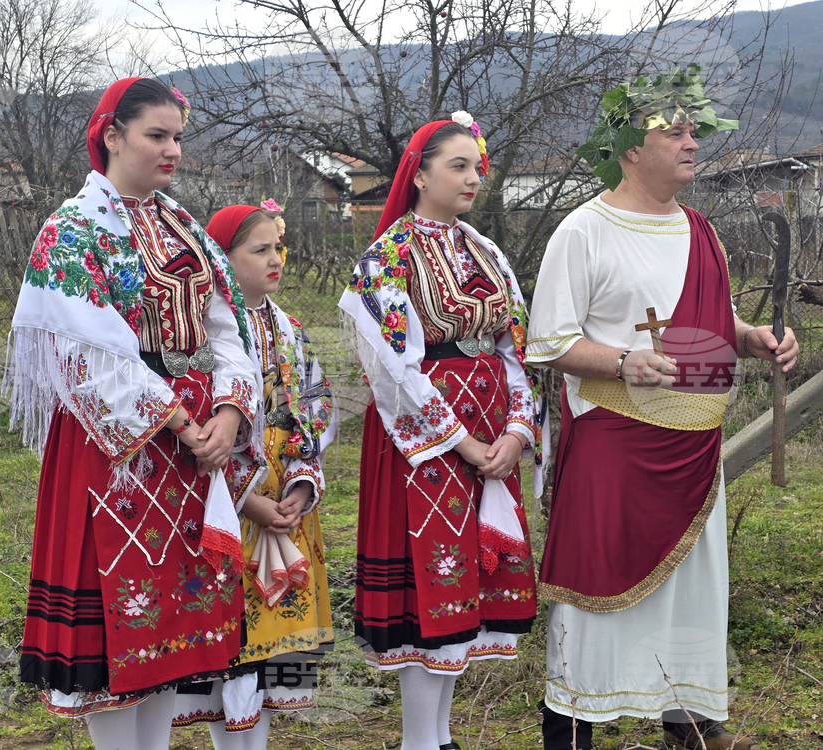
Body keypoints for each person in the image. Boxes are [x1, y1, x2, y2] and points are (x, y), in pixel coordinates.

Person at [526, 65, 799, 750]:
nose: (691, 142)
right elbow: (549, 340)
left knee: (692, 598)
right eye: (673, 132)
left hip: (693, 446)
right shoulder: (583, 231)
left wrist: (755, 338)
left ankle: (692, 727)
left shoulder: (701, 230)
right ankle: (572, 732)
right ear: (628, 149)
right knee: (599, 599)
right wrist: (624, 361)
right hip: (616, 445)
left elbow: (717, 319)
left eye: (694, 132)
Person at [4, 77, 260, 750]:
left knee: (170, 632)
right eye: (157, 135)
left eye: (178, 136)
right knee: (119, 634)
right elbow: (84, 358)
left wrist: (231, 413)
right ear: (112, 136)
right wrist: (181, 422)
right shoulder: (74, 229)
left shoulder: (185, 230)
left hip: (193, 451)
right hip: (116, 451)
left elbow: (228, 331)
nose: (172, 149)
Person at [338, 112, 548, 750]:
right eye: (458, 165)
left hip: (490, 433)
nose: (473, 178)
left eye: (478, 167)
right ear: (419, 172)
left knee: (466, 590)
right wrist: (461, 441)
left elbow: (517, 348)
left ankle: (441, 735)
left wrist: (516, 430)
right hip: (423, 440)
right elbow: (394, 367)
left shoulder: (487, 253)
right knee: (430, 586)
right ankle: (417, 740)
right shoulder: (389, 257)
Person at [172, 201, 338, 748]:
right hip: (226, 502)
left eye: (278, 248)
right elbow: (198, 421)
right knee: (229, 644)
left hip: (283, 504)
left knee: (268, 652)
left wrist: (298, 486)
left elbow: (314, 409)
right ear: (223, 259)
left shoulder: (289, 329)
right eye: (259, 250)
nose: (275, 261)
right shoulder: (203, 336)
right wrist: (246, 500)